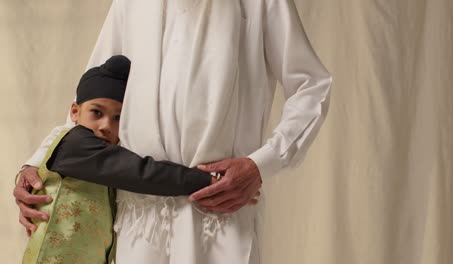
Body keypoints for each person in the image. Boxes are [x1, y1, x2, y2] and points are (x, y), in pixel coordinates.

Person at [15, 1, 333, 263]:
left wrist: (261, 164)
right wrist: (40, 165)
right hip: (138, 223)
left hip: (217, 214)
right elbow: (93, 97)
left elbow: (311, 85)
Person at [21, 55, 244, 263]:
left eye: (118, 117)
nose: (106, 126)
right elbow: (142, 173)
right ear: (75, 111)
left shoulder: (97, 148)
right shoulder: (76, 144)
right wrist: (206, 181)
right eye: (96, 113)